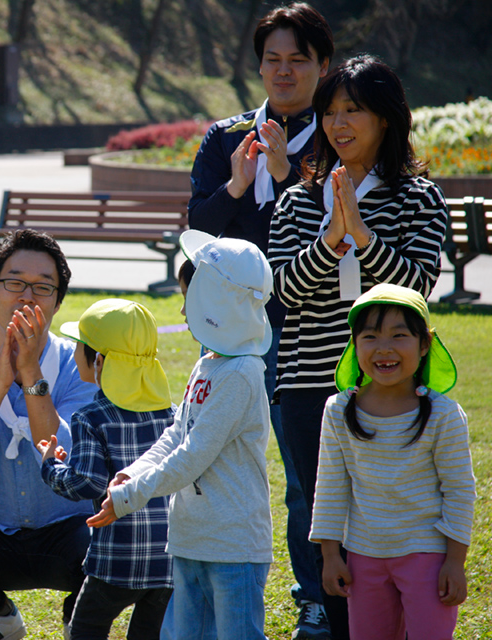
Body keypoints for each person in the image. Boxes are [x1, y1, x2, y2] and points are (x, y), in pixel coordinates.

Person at [268, 55, 450, 639]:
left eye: (355, 110)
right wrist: (332, 239)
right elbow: (284, 290)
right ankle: (329, 615)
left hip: (387, 386)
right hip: (305, 383)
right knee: (315, 510)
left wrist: (364, 236)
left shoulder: (418, 197)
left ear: (387, 119)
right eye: (330, 112)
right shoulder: (298, 201)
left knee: (387, 506)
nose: (339, 123)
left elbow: (417, 288)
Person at [187, 4, 333, 636]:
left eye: (298, 58)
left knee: (309, 476)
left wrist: (288, 178)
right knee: (218, 463)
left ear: (323, 66)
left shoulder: (338, 136)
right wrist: (238, 188)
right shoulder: (227, 139)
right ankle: (212, 581)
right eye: (272, 58)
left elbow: (326, 241)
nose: (284, 70)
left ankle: (318, 598)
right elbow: (195, 235)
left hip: (311, 329)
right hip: (235, 338)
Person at [89, 230, 273, 640]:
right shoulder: (206, 363)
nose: (184, 310)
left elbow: (193, 454)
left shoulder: (241, 374)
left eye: (190, 298)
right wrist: (132, 474)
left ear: (217, 302)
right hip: (191, 539)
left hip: (233, 548)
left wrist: (128, 497)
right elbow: (177, 432)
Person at [0, 229, 98, 640]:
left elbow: (68, 457)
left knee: (112, 542)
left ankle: (80, 617)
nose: (27, 296)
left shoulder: (78, 364)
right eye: (14, 283)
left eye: (43, 287)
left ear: (58, 301)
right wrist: (0, 383)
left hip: (68, 526)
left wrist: (30, 373)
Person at [311, 283, 476, 640]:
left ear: (425, 343)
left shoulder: (443, 415)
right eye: (370, 336)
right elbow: (330, 486)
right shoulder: (337, 410)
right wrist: (330, 554)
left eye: (399, 335)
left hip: (427, 557)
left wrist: (454, 561)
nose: (384, 348)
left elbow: (460, 491)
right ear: (355, 346)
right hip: (363, 556)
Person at [37, 299, 175, 640]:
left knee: (87, 628)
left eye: (78, 347)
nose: (73, 354)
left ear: (98, 361)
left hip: (116, 559)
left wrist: (51, 465)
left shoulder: (92, 416)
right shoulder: (172, 413)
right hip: (169, 558)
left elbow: (87, 482)